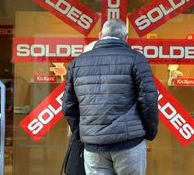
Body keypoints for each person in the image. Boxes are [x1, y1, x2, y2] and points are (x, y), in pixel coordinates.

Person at [62, 19, 159, 175]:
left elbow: (68, 105)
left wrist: (83, 133)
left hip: (94, 145)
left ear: (100, 35)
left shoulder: (77, 63)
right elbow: (149, 101)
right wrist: (149, 132)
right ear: (126, 38)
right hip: (129, 143)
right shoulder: (136, 59)